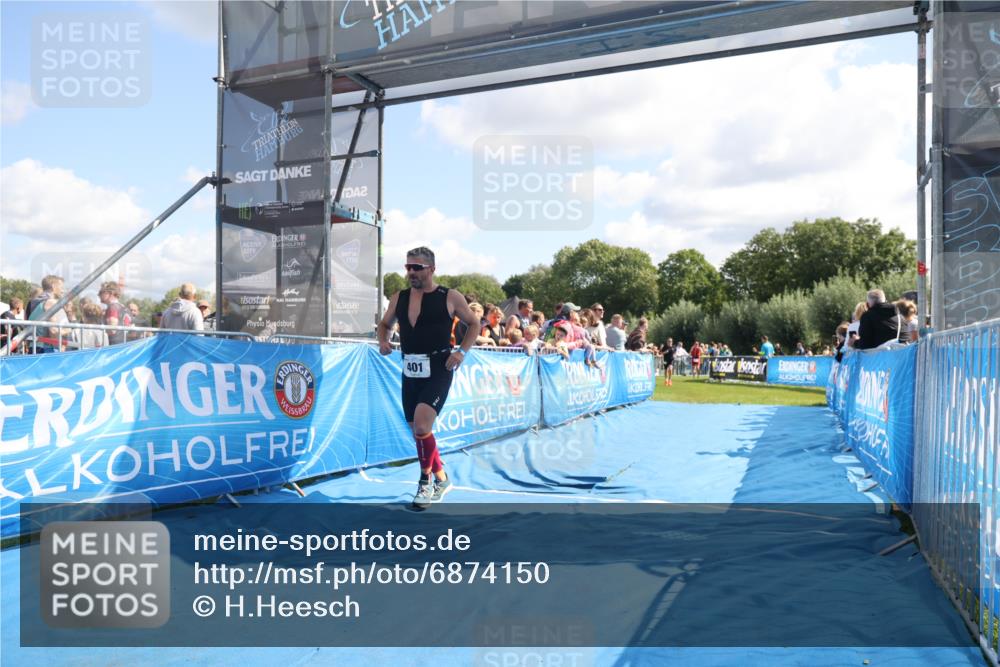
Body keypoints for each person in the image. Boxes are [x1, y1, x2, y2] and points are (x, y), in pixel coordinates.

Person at [378, 247, 479, 510]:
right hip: (410, 368)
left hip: (439, 367)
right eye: (408, 267)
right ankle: (442, 478)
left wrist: (461, 352)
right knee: (418, 431)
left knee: (422, 427)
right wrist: (383, 341)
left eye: (417, 267)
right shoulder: (399, 297)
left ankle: (426, 482)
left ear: (431, 269)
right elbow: (385, 324)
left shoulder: (449, 296)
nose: (411, 272)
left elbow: (474, 324)